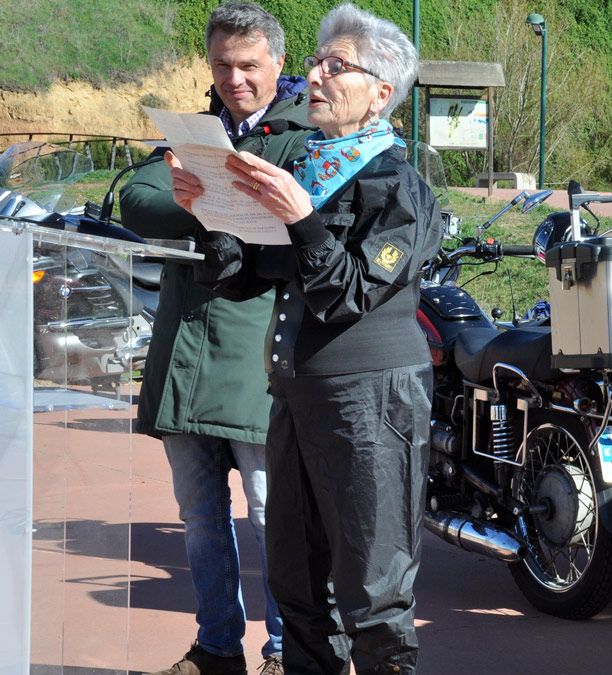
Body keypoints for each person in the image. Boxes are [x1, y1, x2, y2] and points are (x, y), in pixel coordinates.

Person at [167, 3, 442, 673]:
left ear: (382, 92)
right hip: (294, 399)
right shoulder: (316, 171)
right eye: (316, 63)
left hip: (371, 406)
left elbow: (348, 292)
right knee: (298, 590)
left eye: (335, 66)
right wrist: (207, 211)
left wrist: (304, 221)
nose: (315, 76)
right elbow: (243, 277)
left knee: (374, 598)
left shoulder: (398, 185)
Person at [119, 3, 314, 674]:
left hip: (258, 361)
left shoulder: (304, 135)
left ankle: (289, 650)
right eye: (223, 65)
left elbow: (301, 214)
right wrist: (193, 199)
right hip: (184, 360)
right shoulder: (190, 132)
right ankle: (216, 647)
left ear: (278, 66)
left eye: (250, 65)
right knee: (201, 522)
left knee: (273, 520)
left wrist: (206, 195)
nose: (235, 79)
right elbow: (136, 199)